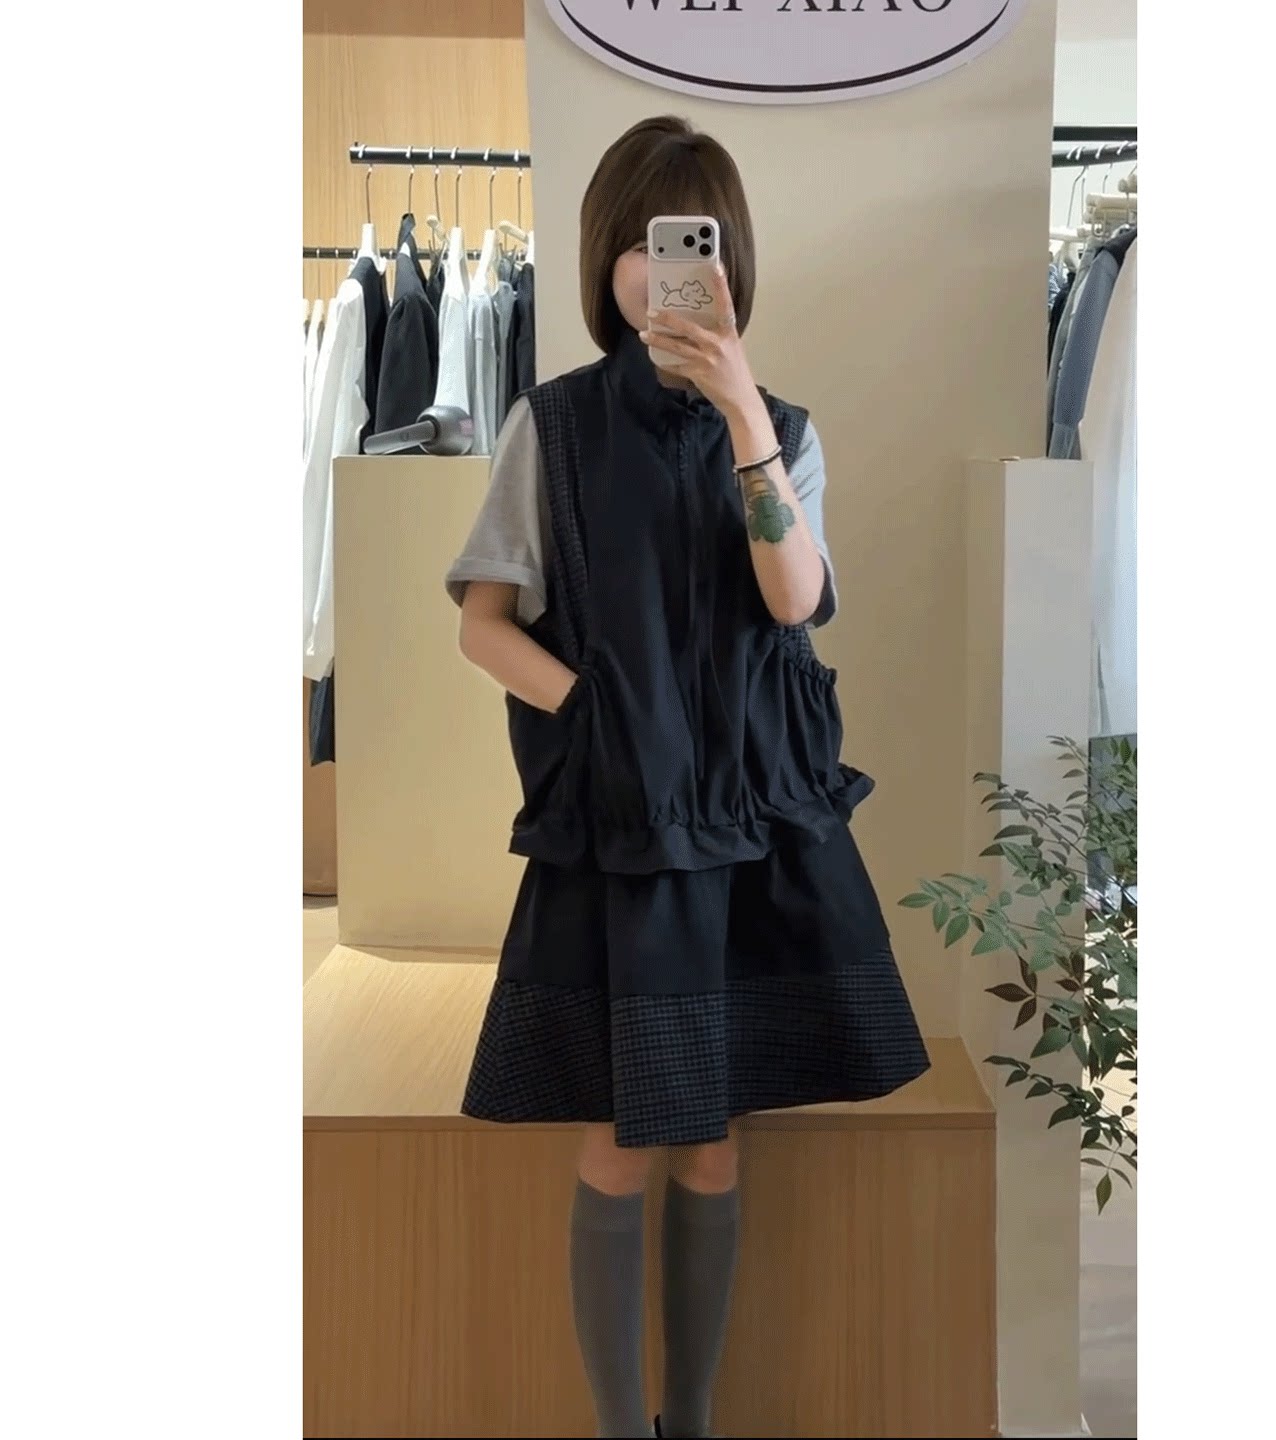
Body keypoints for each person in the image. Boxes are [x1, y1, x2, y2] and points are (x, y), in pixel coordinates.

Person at [444, 115, 931, 1440]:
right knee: (617, 1135)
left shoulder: (782, 428)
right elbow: (484, 624)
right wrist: (592, 709)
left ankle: (691, 1423)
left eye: (692, 251)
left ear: (731, 265)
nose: (663, 277)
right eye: (643, 249)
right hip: (622, 828)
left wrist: (741, 412)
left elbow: (793, 599)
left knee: (713, 1139)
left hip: (754, 830)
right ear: (607, 258)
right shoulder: (552, 427)